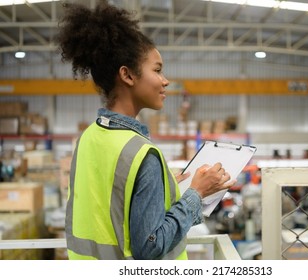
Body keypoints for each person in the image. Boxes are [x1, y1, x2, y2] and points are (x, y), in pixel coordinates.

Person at [56, 0, 235, 260]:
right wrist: (196, 194)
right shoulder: (142, 155)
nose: (166, 80)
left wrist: (165, 186)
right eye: (157, 70)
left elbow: (107, 204)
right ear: (128, 76)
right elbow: (149, 247)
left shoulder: (88, 138)